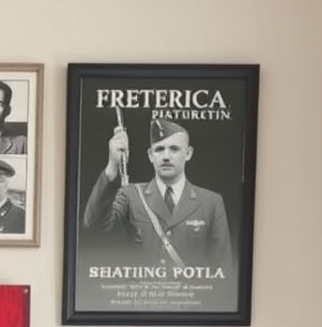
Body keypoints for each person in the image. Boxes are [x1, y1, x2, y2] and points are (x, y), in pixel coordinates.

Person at [82, 115, 233, 273]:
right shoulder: (132, 196)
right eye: (159, 149)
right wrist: (113, 165)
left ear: (188, 153)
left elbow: (222, 271)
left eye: (174, 149)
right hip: (144, 295)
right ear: (150, 155)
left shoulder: (211, 203)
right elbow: (93, 223)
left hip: (191, 297)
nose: (166, 156)